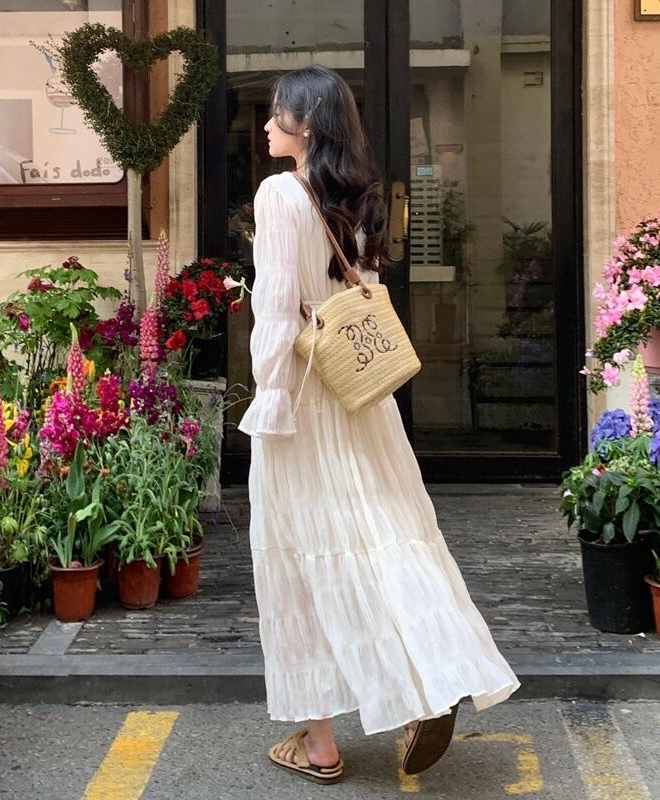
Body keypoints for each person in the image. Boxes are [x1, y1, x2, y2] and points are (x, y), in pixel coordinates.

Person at [237, 65, 519, 786]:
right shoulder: (362, 201)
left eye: (277, 113)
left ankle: (320, 745)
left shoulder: (279, 194)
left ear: (306, 123)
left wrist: (269, 392)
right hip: (361, 397)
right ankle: (432, 681)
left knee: (298, 560)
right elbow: (363, 291)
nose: (266, 124)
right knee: (389, 539)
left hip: (303, 400)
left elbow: (276, 309)